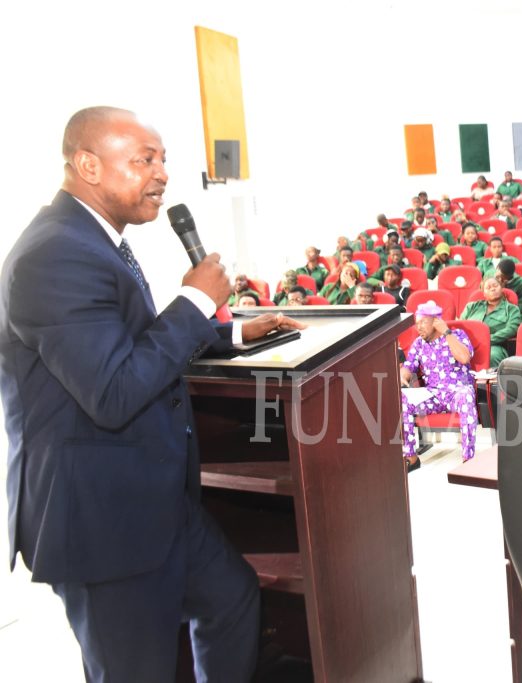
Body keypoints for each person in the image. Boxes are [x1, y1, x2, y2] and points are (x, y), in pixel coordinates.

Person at [0, 106, 308, 682]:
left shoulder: (93, 240)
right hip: (102, 516)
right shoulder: (54, 255)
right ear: (89, 165)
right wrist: (194, 301)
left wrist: (229, 333)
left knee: (231, 599)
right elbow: (114, 390)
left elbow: (126, 342)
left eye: (163, 159)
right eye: (143, 160)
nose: (162, 173)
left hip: (154, 499)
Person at [400, 302, 478, 467]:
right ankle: (411, 458)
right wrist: (402, 375)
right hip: (433, 394)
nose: (418, 327)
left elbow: (464, 358)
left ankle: (468, 460)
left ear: (436, 321)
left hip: (457, 392)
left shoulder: (457, 335)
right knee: (402, 398)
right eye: (417, 323)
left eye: (423, 322)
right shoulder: (419, 343)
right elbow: (408, 366)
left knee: (466, 396)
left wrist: (446, 332)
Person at [460, 277, 522, 366]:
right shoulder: (471, 307)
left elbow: (512, 329)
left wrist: (487, 340)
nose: (492, 289)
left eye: (495, 286)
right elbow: (460, 326)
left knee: (491, 355)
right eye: (488, 288)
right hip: (468, 344)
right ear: (484, 294)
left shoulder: (512, 309)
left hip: (494, 346)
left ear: (501, 288)